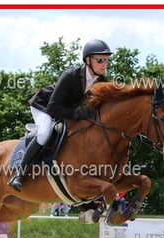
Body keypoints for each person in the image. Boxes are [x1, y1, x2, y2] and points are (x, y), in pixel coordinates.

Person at [8, 39, 113, 192]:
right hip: (44, 106)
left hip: (65, 109)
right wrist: (76, 114)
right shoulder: (70, 75)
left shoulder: (101, 81)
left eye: (106, 60)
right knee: (45, 132)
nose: (104, 64)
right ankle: (19, 174)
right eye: (100, 60)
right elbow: (53, 107)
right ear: (88, 60)